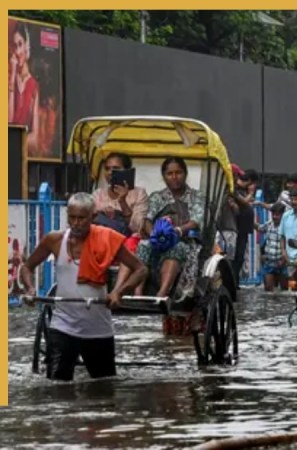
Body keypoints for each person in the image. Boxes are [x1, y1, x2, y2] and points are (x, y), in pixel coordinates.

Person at [18, 193, 147, 381]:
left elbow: (141, 270)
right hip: (63, 325)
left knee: (104, 386)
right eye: (72, 217)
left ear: (93, 217)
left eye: (82, 218)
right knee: (57, 388)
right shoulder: (54, 240)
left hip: (98, 326)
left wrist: (119, 292)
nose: (76, 223)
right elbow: (27, 267)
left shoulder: (107, 238)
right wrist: (30, 290)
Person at [119, 156, 206, 298]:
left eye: (178, 173)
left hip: (185, 241)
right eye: (170, 174)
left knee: (175, 248)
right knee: (144, 244)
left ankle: (162, 293)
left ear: (185, 174)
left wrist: (177, 231)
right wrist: (153, 234)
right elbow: (147, 219)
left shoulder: (197, 196)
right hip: (158, 240)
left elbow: (196, 221)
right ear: (164, 176)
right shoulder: (157, 197)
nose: (174, 177)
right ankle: (138, 292)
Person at [92, 153, 149, 251]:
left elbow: (137, 228)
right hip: (101, 242)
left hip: (128, 244)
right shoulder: (98, 194)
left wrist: (123, 202)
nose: (110, 172)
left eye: (115, 168)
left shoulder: (139, 193)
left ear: (127, 171)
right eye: (107, 168)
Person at [9, 22, 40, 153]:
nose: (17, 51)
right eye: (15, 46)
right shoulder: (9, 79)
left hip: (21, 153)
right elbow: (8, 120)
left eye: (20, 44)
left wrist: (15, 142)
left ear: (27, 45)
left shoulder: (34, 85)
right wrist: (13, 74)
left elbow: (35, 137)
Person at [259, 202, 287, 291]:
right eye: (273, 214)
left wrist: (284, 260)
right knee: (268, 290)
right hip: (269, 262)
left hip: (282, 263)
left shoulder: (287, 227)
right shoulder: (269, 224)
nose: (275, 217)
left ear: (283, 215)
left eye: (277, 215)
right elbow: (260, 228)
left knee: (284, 290)